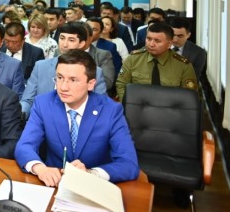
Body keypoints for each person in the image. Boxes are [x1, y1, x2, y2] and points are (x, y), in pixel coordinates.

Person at [15, 50, 139, 186]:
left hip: (93, 186)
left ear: (91, 84)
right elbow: (25, 146)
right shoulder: (43, 103)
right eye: (60, 78)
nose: (63, 87)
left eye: (73, 80)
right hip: (53, 183)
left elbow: (128, 164)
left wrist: (91, 173)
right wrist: (40, 168)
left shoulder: (111, 110)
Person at [20, 22, 107, 117]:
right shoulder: (41, 67)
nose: (64, 44)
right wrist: (21, 113)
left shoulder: (96, 71)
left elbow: (100, 104)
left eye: (71, 40)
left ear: (81, 44)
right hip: (44, 120)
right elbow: (28, 100)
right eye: (62, 38)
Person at [116, 22, 197, 102]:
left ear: (169, 44)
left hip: (170, 108)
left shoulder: (183, 66)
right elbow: (121, 84)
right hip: (137, 107)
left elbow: (189, 95)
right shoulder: (133, 60)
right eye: (149, 39)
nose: (151, 44)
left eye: (157, 41)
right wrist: (129, 105)